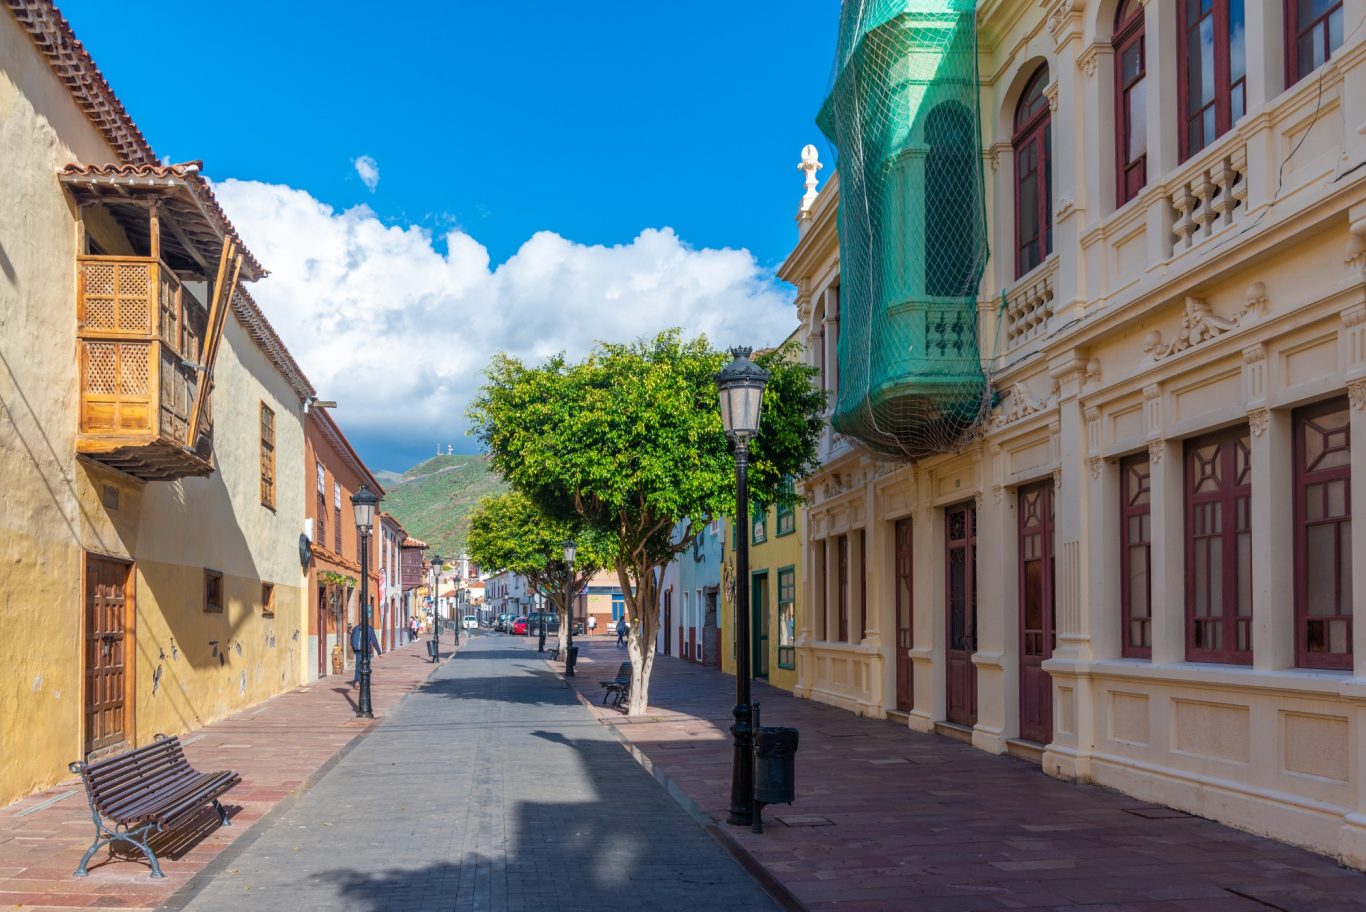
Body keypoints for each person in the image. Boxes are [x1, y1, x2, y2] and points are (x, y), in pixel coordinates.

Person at [350, 617, 381, 687]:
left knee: (358, 666)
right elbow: (374, 641)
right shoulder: (370, 629)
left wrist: (354, 650)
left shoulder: (355, 629)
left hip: (358, 651)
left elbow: (351, 641)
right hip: (367, 651)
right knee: (367, 666)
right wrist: (379, 652)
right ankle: (366, 682)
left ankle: (357, 682)